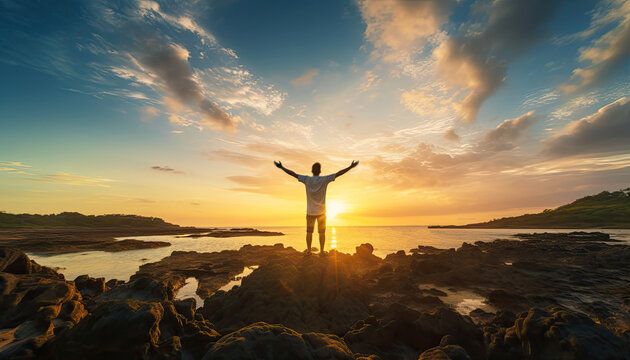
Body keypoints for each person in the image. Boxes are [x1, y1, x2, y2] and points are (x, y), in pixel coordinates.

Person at [274, 160, 359, 256]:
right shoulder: (324, 179)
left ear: (312, 170)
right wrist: (350, 167)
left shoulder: (306, 179)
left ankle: (309, 251)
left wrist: (282, 167)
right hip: (321, 212)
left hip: (310, 212)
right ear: (320, 171)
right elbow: (338, 174)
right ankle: (322, 251)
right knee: (322, 233)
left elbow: (293, 174)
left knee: (309, 232)